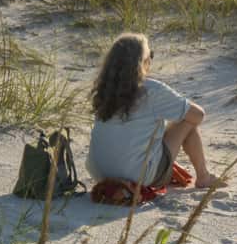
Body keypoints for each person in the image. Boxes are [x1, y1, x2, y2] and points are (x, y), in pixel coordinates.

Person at [87, 33, 221, 189]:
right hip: (139, 177)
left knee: (156, 125)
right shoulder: (150, 90)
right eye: (150, 55)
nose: (151, 60)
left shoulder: (105, 90)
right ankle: (204, 177)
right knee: (186, 120)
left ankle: (174, 166)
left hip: (100, 174)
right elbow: (198, 115)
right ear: (141, 62)